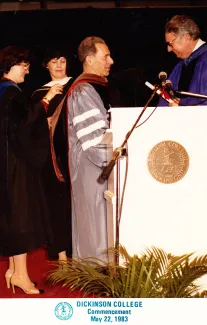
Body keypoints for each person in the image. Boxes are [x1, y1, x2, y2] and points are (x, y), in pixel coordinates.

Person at [0, 45, 62, 294]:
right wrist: (46, 101)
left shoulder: (4, 91)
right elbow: (24, 126)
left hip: (6, 164)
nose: (27, 70)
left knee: (14, 219)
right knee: (21, 219)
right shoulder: (11, 92)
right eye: (23, 65)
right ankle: (22, 275)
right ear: (11, 65)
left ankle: (14, 271)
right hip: (15, 166)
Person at [160, 14, 207, 190]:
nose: (168, 49)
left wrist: (181, 107)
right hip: (191, 142)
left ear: (186, 37)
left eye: (170, 43)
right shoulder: (182, 66)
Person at [67, 36, 114, 262]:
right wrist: (116, 159)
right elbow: (95, 140)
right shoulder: (83, 91)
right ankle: (95, 277)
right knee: (95, 222)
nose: (111, 61)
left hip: (96, 166)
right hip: (93, 167)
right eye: (105, 56)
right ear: (89, 59)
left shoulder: (91, 88)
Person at [32, 47, 74, 262]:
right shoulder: (39, 95)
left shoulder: (78, 86)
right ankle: (61, 253)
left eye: (63, 60)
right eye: (53, 61)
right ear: (46, 65)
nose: (59, 65)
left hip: (76, 154)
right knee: (57, 205)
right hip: (52, 158)